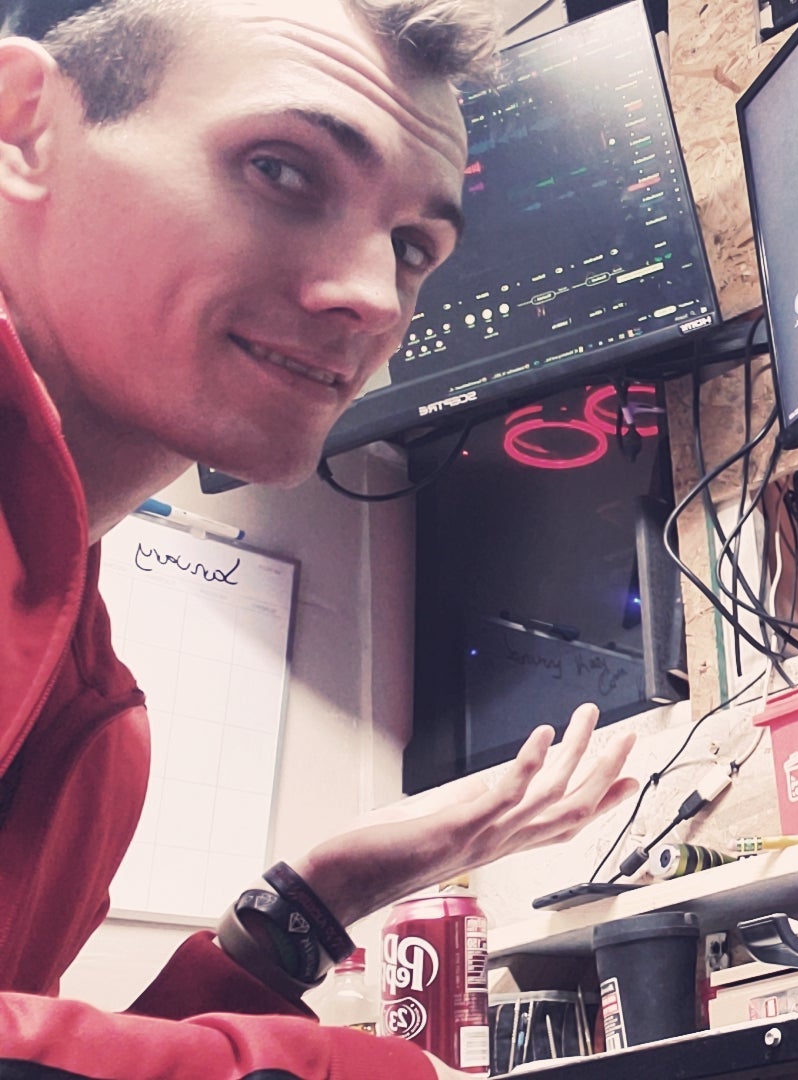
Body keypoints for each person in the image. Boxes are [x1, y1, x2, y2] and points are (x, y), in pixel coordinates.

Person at [0, 1, 643, 1076]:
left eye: (413, 247)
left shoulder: (78, 663)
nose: (374, 298)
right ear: (25, 129)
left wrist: (311, 905)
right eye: (281, 170)